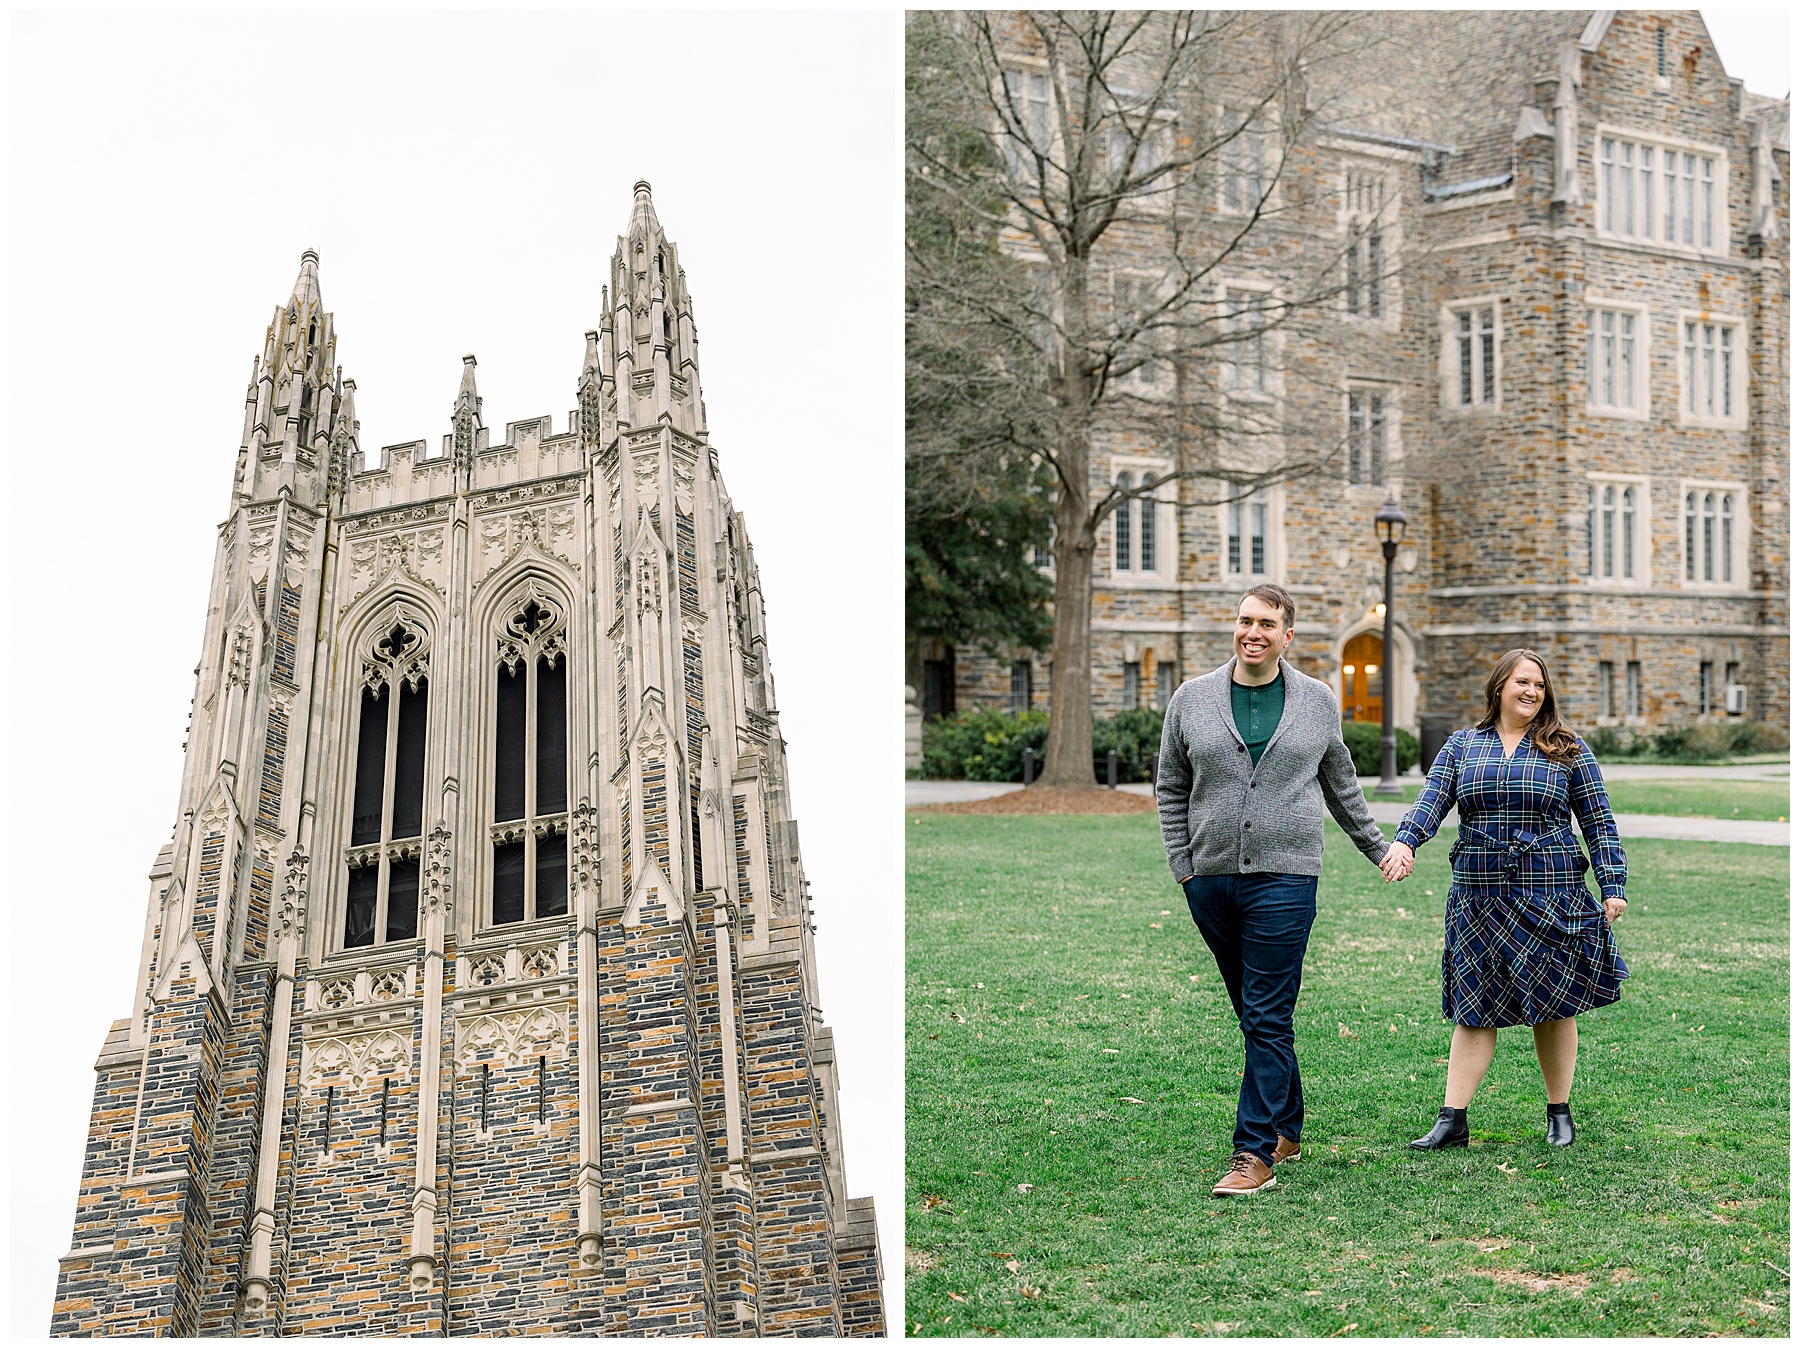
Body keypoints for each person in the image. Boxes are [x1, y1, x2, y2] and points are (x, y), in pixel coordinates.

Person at [1156, 584, 1408, 1196]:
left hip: (1288, 878)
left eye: (1267, 623)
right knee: (1254, 1011)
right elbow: (1169, 785)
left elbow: (1340, 784)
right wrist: (1184, 868)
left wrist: (1379, 847)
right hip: (1210, 878)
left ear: (1286, 635)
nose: (1253, 632)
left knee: (1267, 1013)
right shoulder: (1191, 699)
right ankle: (1288, 1125)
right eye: (1245, 620)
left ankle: (1255, 1152)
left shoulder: (1317, 702)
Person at [1382, 648, 1628, 1150]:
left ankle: (1560, 1113)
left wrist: (1612, 882)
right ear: (1499, 686)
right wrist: (1406, 841)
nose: (1531, 692)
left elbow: (1598, 821)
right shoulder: (1462, 746)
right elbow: (1431, 801)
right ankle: (1453, 1120)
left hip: (1551, 894)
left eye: (1539, 685)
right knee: (1475, 1006)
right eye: (1522, 682)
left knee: (1556, 1007)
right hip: (1478, 896)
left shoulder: (1569, 748)